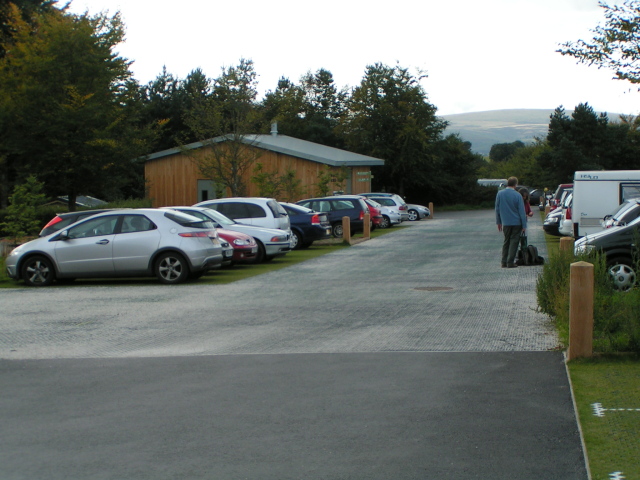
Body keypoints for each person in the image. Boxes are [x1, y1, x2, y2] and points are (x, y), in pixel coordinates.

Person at [495, 177, 527, 268]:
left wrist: (499, 222)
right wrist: (524, 225)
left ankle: (503, 261)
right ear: (515, 184)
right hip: (516, 222)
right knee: (514, 242)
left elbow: (497, 209)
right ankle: (510, 262)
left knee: (506, 241)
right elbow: (522, 211)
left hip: (505, 222)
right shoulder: (517, 195)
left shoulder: (500, 194)